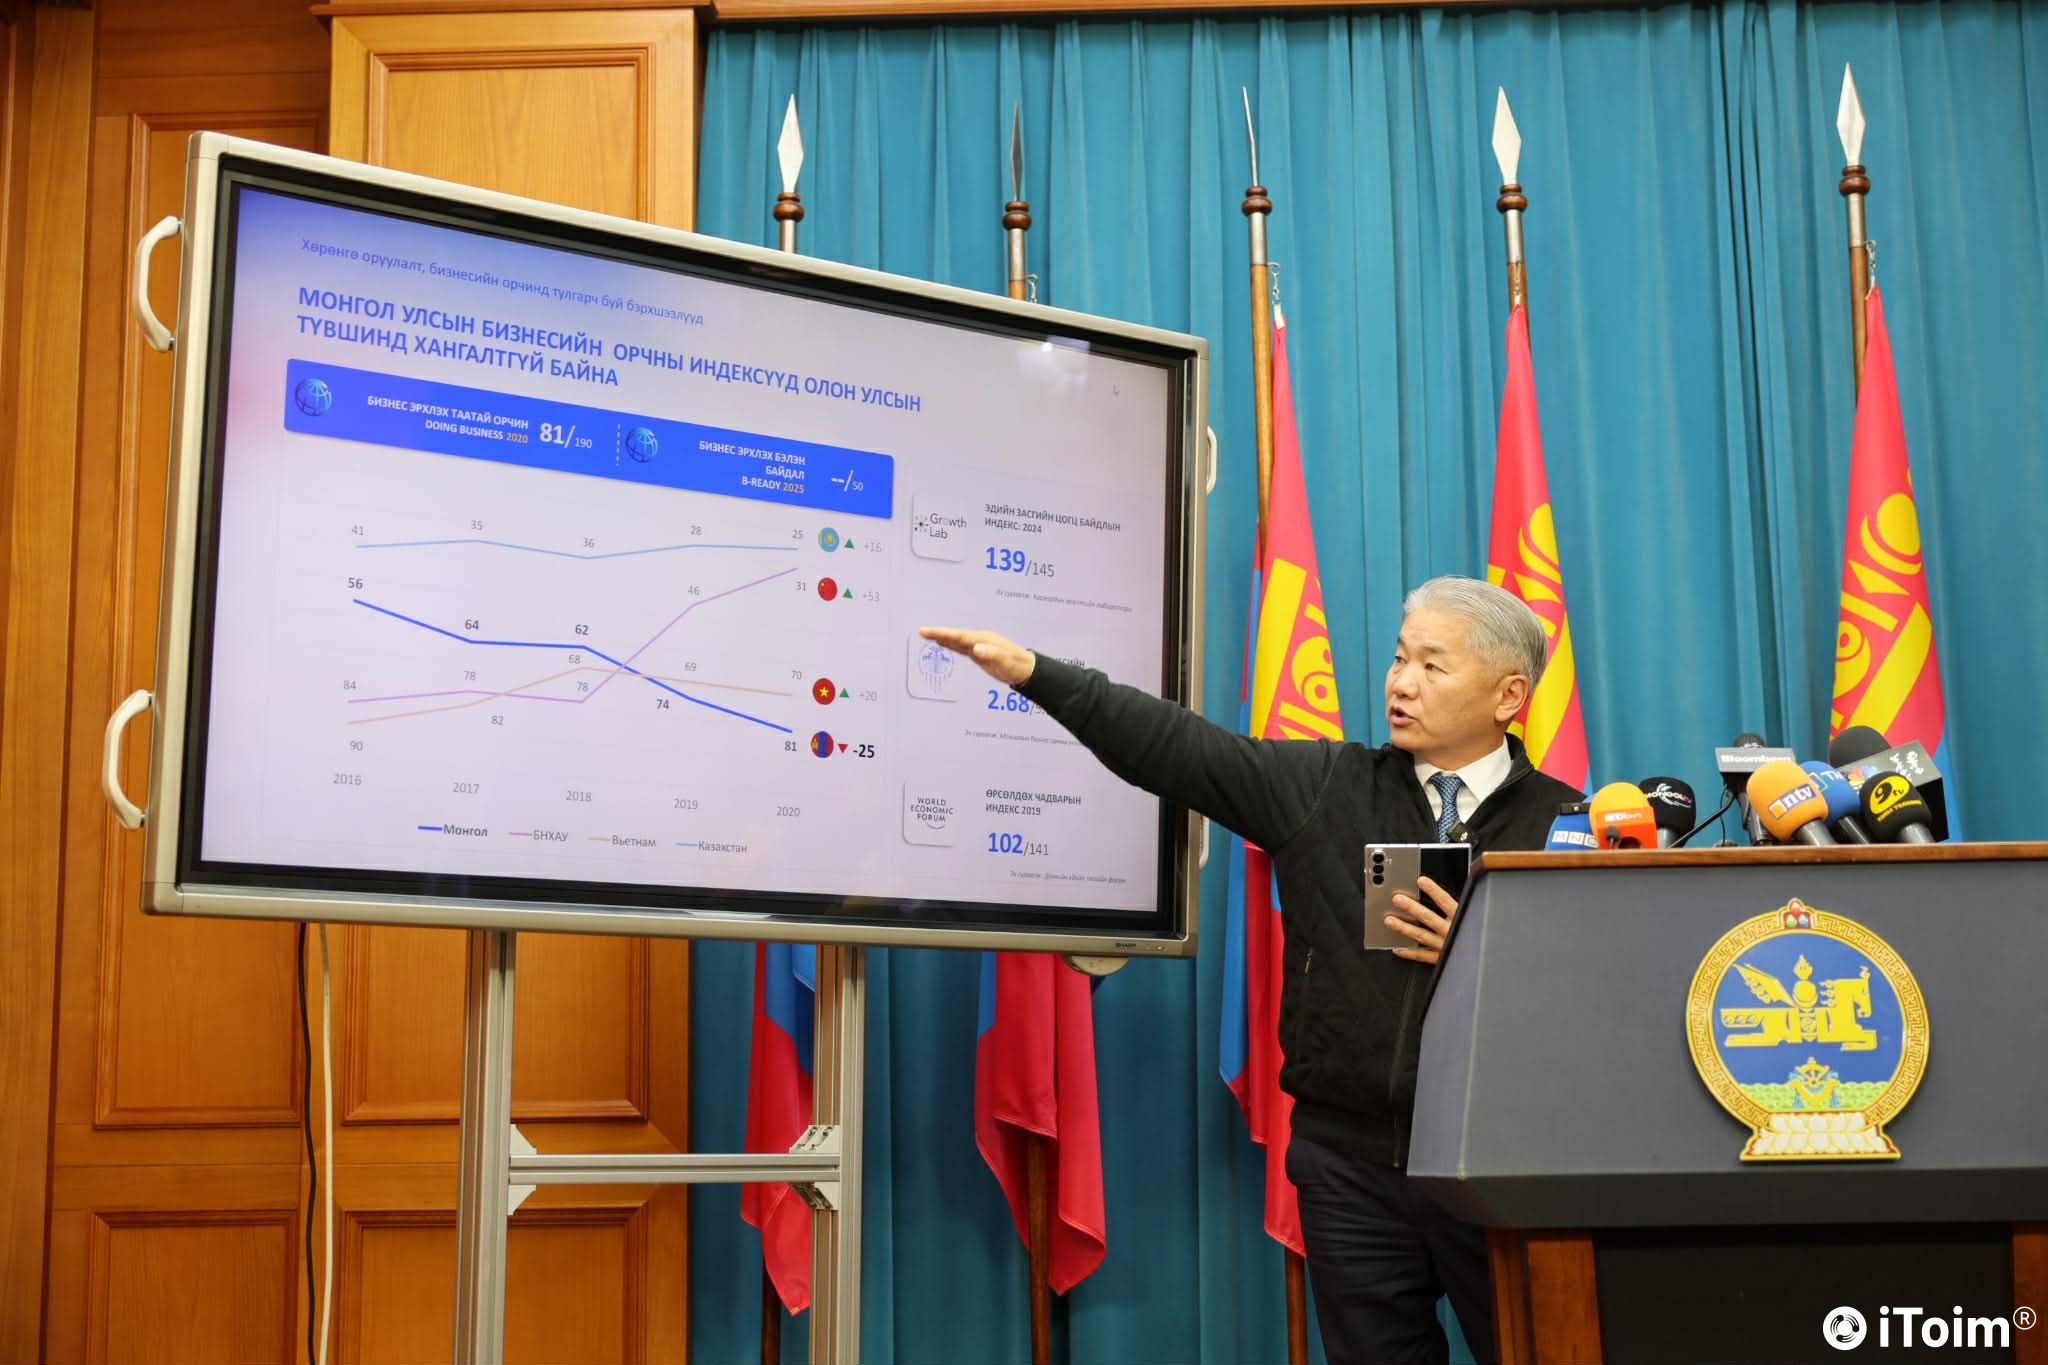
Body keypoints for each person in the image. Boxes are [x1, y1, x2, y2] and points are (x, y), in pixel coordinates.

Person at [921, 575, 1581, 1365]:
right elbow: (1176, 748)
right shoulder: (1325, 786)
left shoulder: (1568, 828)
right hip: (1349, 1171)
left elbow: (1595, 1017)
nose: (1401, 683)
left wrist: (1487, 957)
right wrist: (1037, 673)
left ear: (1509, 695)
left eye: (1433, 666)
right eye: (1399, 658)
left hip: (1497, 1168)